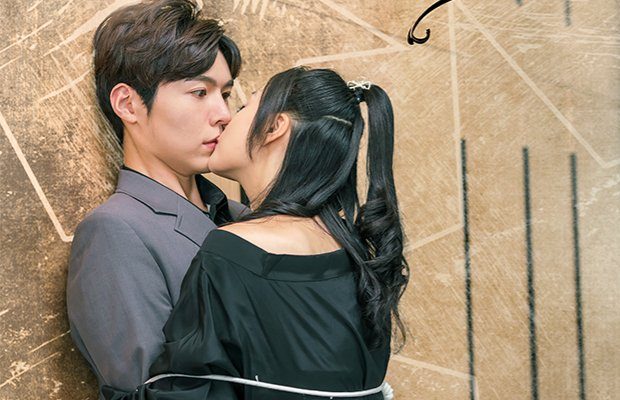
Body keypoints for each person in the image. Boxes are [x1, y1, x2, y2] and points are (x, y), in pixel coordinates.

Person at [102, 66, 408, 400]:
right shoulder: (351, 249)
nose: (225, 118)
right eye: (200, 93)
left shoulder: (233, 252)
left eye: (243, 106)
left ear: (275, 127)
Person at [66, 0, 246, 394]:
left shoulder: (242, 216)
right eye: (199, 92)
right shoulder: (114, 233)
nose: (224, 114)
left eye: (225, 94)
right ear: (128, 104)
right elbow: (154, 390)